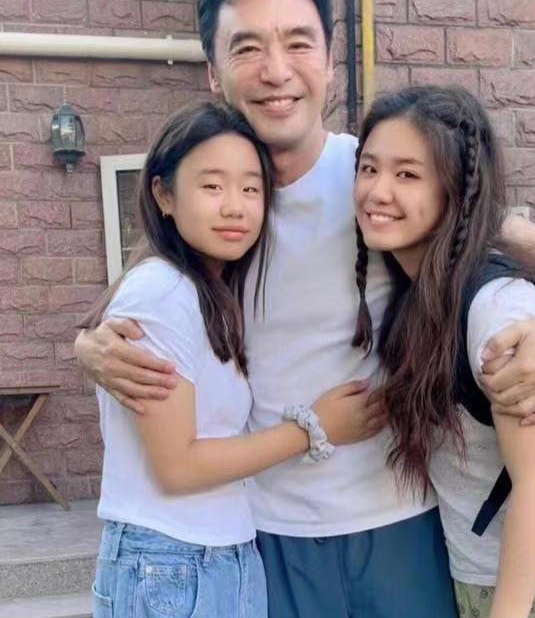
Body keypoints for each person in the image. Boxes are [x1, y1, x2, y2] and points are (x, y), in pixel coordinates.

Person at [75, 0, 535, 616]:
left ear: (330, 61)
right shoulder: (213, 210)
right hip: (271, 534)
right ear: (213, 73)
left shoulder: (376, 179)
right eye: (247, 48)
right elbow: (140, 297)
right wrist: (88, 346)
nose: (276, 70)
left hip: (400, 522)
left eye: (298, 43)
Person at [84, 101, 384, 618]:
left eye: (250, 189)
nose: (234, 207)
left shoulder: (210, 291)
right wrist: (316, 428)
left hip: (219, 554)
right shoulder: (159, 292)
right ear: (163, 194)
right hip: (169, 562)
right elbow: (177, 467)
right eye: (212, 186)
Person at [352, 84, 535, 618]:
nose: (377, 191)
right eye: (368, 169)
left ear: (455, 191)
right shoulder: (418, 292)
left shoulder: (496, 308)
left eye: (407, 175)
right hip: (486, 578)